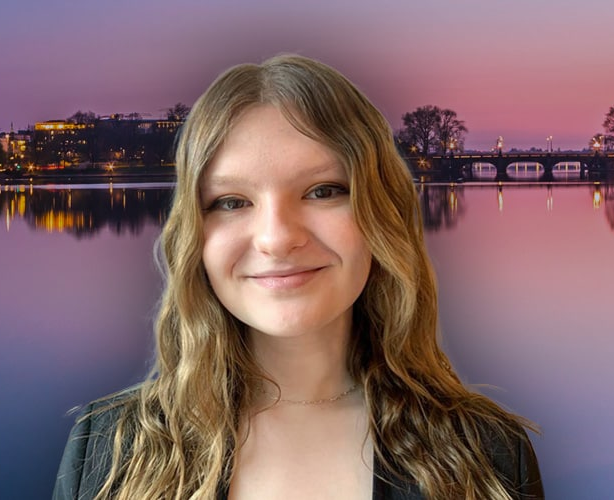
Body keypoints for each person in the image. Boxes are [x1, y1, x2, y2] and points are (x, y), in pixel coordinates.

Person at [54, 54, 541, 500]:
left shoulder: (487, 454)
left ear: (382, 215)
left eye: (323, 191)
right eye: (231, 202)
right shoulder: (106, 453)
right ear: (194, 236)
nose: (276, 238)